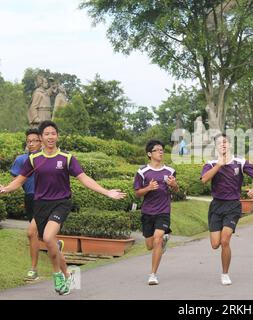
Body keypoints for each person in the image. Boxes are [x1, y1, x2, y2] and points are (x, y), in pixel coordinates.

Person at [0, 121, 126, 296]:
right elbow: (19, 180)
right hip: (41, 204)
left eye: (53, 133)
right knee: (51, 243)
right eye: (46, 134)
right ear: (41, 138)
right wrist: (5, 188)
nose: (50, 137)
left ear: (57, 136)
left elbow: (84, 178)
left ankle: (57, 274)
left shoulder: (66, 158)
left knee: (48, 237)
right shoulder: (33, 159)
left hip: (61, 203)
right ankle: (68, 275)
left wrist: (106, 192)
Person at [201, 133, 253, 285]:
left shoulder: (240, 162)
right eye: (219, 143)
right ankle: (223, 266)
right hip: (216, 206)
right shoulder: (211, 163)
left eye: (225, 142)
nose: (223, 144)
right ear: (216, 147)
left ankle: (225, 273)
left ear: (230, 144)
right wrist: (219, 165)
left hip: (233, 205)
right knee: (215, 244)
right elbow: (204, 179)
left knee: (225, 240)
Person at [134, 139, 178, 285]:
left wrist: (174, 185)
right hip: (147, 212)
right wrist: (148, 188)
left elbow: (175, 189)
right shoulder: (142, 172)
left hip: (163, 211)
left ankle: (153, 274)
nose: (160, 152)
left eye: (162, 150)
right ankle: (162, 241)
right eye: (157, 150)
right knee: (149, 245)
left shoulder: (170, 171)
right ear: (149, 154)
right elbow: (137, 193)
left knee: (158, 239)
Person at [10, 129, 42, 281]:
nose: (31, 143)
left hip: (47, 200)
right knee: (38, 233)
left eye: (35, 140)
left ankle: (33, 269)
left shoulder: (48, 158)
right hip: (30, 199)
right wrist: (5, 188)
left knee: (31, 232)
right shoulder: (21, 160)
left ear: (41, 141)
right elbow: (17, 181)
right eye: (29, 141)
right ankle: (56, 244)